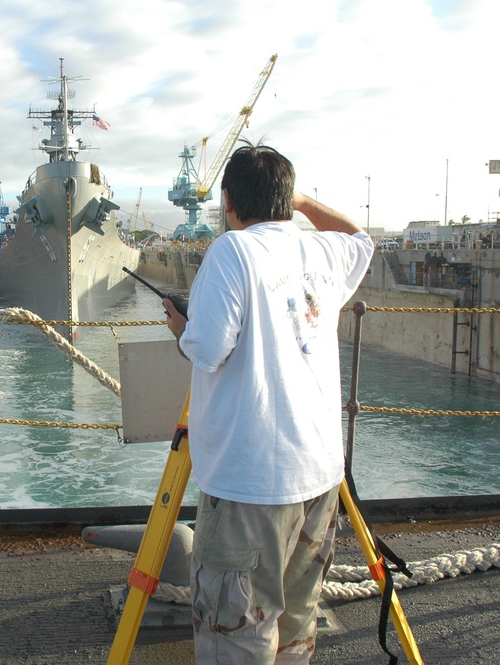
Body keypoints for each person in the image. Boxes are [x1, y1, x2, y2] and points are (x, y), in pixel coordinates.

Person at [163, 142, 373, 664]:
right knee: (297, 620)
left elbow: (209, 350)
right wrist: (301, 202)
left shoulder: (232, 250)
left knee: (236, 633)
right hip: (320, 478)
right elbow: (361, 238)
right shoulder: (323, 252)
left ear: (229, 200)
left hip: (250, 483)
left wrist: (181, 329)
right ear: (285, 199)